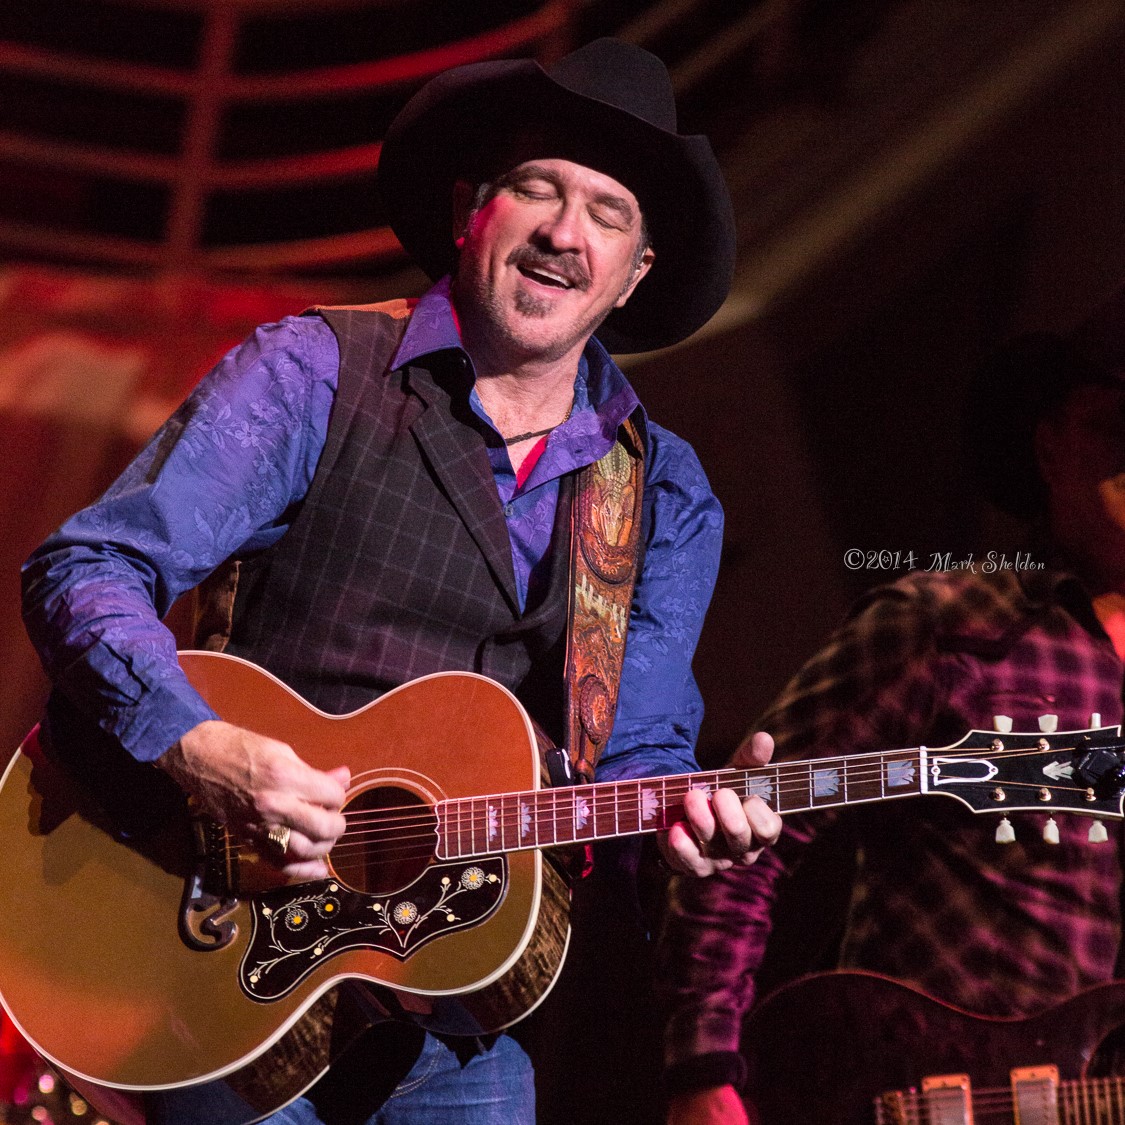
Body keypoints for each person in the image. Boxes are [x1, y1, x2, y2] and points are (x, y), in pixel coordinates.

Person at [20, 38, 782, 1125]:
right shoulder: (314, 371)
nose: (567, 232)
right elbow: (87, 566)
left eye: (609, 215)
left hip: (450, 1005)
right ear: (474, 209)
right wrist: (201, 743)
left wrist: (690, 820)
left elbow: (638, 752)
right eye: (538, 190)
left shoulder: (664, 492)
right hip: (214, 938)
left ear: (635, 274)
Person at [657, 290, 1125, 1124]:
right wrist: (702, 1069)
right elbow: (741, 831)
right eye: (1116, 426)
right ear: (1050, 447)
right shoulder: (948, 626)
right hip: (925, 1097)